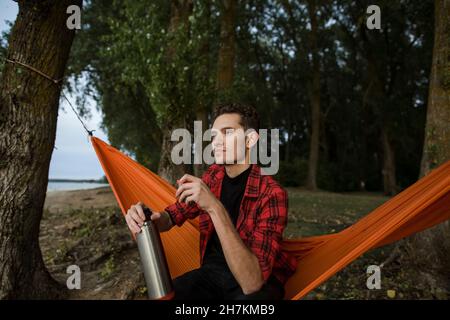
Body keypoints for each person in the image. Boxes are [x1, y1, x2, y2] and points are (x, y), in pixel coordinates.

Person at [125, 102, 297, 300]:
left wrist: (214, 206)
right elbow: (170, 216)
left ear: (250, 139)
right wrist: (149, 218)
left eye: (228, 132)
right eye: (214, 135)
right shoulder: (213, 177)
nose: (216, 142)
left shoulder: (272, 194)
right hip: (212, 276)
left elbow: (252, 282)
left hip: (256, 284)